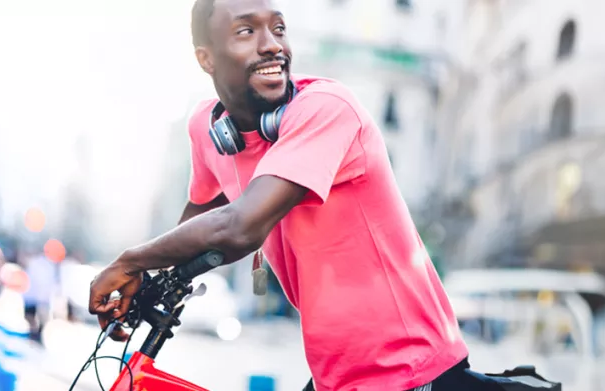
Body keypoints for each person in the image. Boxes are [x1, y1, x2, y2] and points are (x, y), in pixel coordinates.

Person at [87, 0, 469, 389]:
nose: (272, 45)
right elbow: (200, 219)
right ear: (207, 58)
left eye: (279, 29)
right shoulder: (207, 129)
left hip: (412, 369)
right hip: (335, 375)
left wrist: (129, 261)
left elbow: (238, 229)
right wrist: (147, 281)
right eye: (246, 31)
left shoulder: (327, 109)